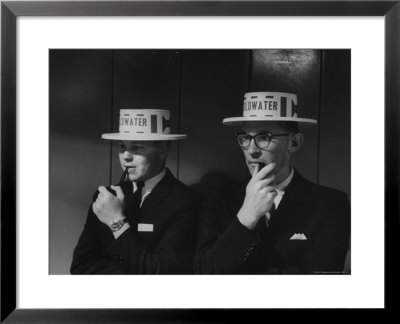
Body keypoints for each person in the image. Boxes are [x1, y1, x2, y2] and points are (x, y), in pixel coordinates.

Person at [194, 92, 350, 274]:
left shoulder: (330, 204)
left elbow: (321, 284)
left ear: (294, 143)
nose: (251, 150)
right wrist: (246, 217)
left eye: (263, 137)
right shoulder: (218, 200)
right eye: (245, 138)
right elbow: (203, 273)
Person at [71, 109, 200, 274]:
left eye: (137, 147)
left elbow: (163, 272)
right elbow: (80, 267)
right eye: (123, 146)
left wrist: (117, 222)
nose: (125, 156)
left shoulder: (186, 202)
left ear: (162, 149)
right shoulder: (105, 198)